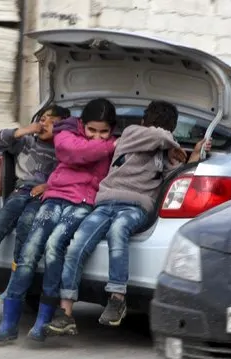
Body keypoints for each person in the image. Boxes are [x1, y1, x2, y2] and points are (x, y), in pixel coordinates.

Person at [45, 101, 211, 336]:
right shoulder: (132, 135)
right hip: (106, 202)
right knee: (77, 244)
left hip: (136, 206)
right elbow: (156, 135)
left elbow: (175, 176)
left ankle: (117, 298)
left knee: (118, 230)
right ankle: (66, 312)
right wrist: (174, 143)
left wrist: (192, 156)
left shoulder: (164, 152)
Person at [0, 98, 118, 343]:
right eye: (92, 130)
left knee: (53, 247)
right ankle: (8, 323)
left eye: (104, 132)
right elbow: (75, 153)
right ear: (82, 125)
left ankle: (43, 320)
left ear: (112, 129)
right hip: (54, 197)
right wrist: (110, 146)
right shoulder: (68, 134)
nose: (98, 137)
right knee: (28, 252)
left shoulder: (109, 144)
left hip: (83, 203)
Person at [0, 105, 71, 304]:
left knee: (25, 228)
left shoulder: (64, 151)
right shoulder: (26, 142)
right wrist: (24, 130)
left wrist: (47, 186)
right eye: (43, 119)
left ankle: (14, 286)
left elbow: (69, 174)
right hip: (20, 191)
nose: (45, 124)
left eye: (53, 122)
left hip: (42, 197)